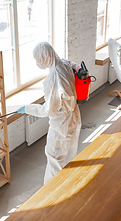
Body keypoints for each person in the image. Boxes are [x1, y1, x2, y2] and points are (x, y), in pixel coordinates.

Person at [17, 42, 82, 184]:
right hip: (74, 116)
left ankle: (50, 192)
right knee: (69, 153)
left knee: (54, 158)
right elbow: (72, 64)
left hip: (61, 124)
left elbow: (48, 109)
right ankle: (67, 183)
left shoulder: (53, 78)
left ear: (46, 57)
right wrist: (77, 67)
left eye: (39, 59)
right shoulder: (63, 63)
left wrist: (28, 108)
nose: (38, 62)